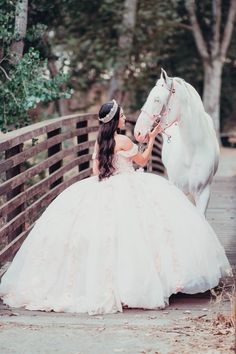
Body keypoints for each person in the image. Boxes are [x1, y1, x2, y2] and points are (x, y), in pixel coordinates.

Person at [0, 100, 231, 315]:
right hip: (129, 183)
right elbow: (142, 161)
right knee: (142, 232)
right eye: (121, 115)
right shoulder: (124, 141)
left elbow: (95, 172)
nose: (123, 118)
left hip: (104, 185)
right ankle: (137, 284)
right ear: (115, 120)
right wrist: (151, 139)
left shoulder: (100, 141)